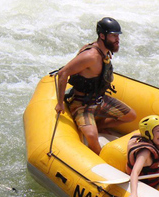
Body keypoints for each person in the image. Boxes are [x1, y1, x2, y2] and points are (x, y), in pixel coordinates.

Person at [55, 17, 137, 154]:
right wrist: (59, 103)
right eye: (113, 36)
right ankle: (101, 157)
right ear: (102, 36)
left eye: (118, 35)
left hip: (99, 100)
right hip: (82, 104)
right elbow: (63, 73)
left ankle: (98, 125)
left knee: (130, 116)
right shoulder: (91, 56)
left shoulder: (104, 51)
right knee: (92, 136)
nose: (117, 39)